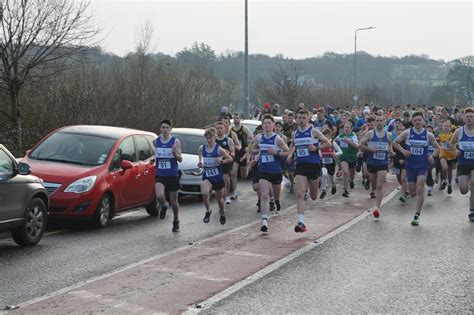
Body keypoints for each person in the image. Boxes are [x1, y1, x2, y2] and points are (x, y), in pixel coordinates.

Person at [393, 112, 440, 226]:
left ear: (423, 121)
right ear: (412, 122)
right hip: (410, 166)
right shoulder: (407, 133)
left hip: (422, 166)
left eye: (419, 120)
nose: (417, 122)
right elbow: (395, 143)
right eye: (415, 120)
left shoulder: (428, 135)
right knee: (413, 192)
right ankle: (413, 194)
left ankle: (416, 215)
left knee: (420, 189)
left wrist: (432, 156)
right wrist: (404, 151)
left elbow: (437, 147)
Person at [287, 109, 330, 232]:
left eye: (303, 118)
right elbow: (293, 145)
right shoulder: (295, 134)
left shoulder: (314, 131)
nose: (300, 120)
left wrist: (316, 148)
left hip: (313, 165)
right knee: (300, 193)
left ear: (308, 118)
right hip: (300, 165)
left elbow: (328, 143)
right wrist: (290, 155)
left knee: (314, 196)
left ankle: (322, 179)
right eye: (299, 117)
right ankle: (301, 222)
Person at [254, 115, 289, 232]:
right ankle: (264, 220)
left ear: (273, 125)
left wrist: (276, 153)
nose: (267, 125)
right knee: (264, 195)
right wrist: (256, 154)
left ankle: (277, 201)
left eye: (269, 123)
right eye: (265, 123)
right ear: (262, 125)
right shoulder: (259, 138)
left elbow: (287, 152)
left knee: (276, 194)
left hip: (276, 171)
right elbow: (253, 149)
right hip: (263, 170)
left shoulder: (277, 139)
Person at [359, 114, 393, 218]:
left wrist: (391, 151)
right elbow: (360, 144)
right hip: (372, 162)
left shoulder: (388, 135)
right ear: (374, 123)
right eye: (377, 121)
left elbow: (390, 146)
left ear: (384, 122)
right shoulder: (369, 134)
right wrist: (370, 149)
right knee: (374, 185)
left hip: (383, 163)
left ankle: (377, 207)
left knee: (379, 186)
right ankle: (372, 189)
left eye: (381, 120)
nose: (379, 122)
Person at [198, 127, 233, 225]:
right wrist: (200, 162)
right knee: (205, 193)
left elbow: (230, 159)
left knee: (219, 199)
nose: (209, 140)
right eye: (207, 138)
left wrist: (221, 161)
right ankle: (208, 211)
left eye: (211, 138)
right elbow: (200, 154)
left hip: (217, 177)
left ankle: (222, 212)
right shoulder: (202, 148)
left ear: (215, 137)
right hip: (207, 176)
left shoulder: (219, 149)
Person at [154, 119, 183, 232]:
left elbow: (180, 159)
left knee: (174, 202)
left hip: (172, 174)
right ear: (160, 129)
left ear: (170, 129)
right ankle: (164, 205)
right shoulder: (156, 142)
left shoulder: (175, 141)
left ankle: (176, 220)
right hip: (160, 174)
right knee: (159, 195)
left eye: (167, 128)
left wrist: (174, 153)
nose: (165, 130)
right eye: (163, 127)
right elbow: (155, 156)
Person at [450, 107, 474, 222]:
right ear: (463, 118)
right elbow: (452, 143)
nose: (469, 119)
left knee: (473, 184)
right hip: (463, 164)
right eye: (467, 116)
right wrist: (455, 150)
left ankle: (472, 210)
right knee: (463, 190)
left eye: (471, 117)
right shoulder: (459, 131)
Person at [231, 113, 253, 198]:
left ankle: (248, 167)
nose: (236, 119)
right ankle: (235, 192)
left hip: (243, 153)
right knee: (233, 172)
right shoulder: (231, 130)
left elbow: (252, 138)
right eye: (234, 118)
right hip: (236, 153)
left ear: (240, 119)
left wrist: (248, 148)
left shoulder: (244, 128)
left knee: (244, 176)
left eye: (237, 118)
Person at [335, 122, 359, 197]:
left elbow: (357, 146)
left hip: (352, 157)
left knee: (351, 174)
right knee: (345, 172)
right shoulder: (340, 135)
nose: (346, 129)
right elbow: (334, 143)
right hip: (343, 158)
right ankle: (345, 190)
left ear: (351, 129)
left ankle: (351, 180)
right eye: (345, 127)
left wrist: (349, 141)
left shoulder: (353, 136)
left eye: (348, 127)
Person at [215, 121, 235, 204]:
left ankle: (226, 197)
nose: (219, 130)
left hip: (225, 162)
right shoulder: (213, 140)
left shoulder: (228, 140)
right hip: (215, 163)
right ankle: (219, 196)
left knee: (225, 180)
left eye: (221, 128)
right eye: (217, 128)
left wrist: (228, 153)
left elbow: (233, 154)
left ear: (225, 129)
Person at [319, 128, 343, 199]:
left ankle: (333, 185)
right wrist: (319, 154)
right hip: (323, 162)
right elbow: (318, 151)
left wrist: (335, 153)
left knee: (331, 178)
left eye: (327, 136)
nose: (325, 137)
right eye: (324, 136)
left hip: (331, 163)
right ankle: (324, 190)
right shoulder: (320, 144)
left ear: (330, 136)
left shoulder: (333, 143)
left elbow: (341, 151)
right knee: (324, 174)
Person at [437, 120, 457, 194]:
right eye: (444, 126)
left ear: (450, 127)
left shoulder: (452, 135)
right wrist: (437, 141)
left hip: (451, 155)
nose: (446, 127)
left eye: (447, 126)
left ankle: (449, 184)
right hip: (443, 154)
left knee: (449, 172)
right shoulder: (440, 135)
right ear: (442, 127)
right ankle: (444, 180)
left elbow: (455, 145)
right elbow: (437, 142)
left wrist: (449, 143)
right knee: (444, 167)